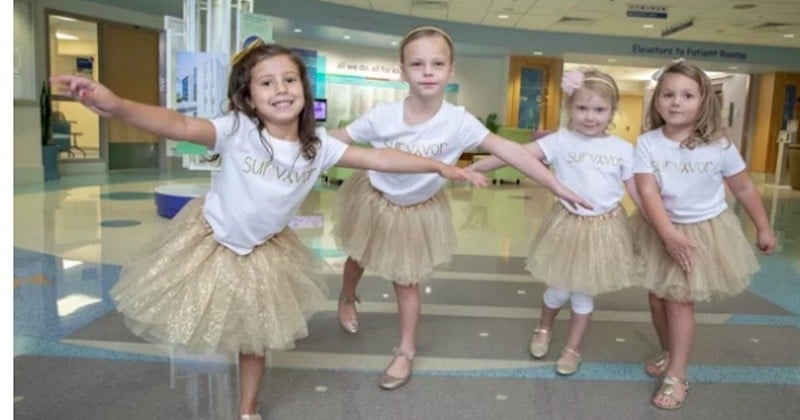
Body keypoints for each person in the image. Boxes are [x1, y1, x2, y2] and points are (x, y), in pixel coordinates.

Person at [50, 40, 486, 420]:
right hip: (211, 239)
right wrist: (117, 106)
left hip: (265, 249)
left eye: (290, 80)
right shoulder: (236, 130)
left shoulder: (319, 147)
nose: (281, 89)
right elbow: (179, 125)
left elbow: (383, 158)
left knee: (254, 337)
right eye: (267, 82)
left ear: (304, 89)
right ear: (248, 96)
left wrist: (438, 165)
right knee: (209, 318)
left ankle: (247, 408)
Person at [328, 25, 592, 391]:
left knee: (407, 280)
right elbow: (334, 142)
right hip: (375, 196)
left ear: (451, 70)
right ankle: (347, 295)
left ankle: (405, 351)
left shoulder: (458, 121)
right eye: (417, 64)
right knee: (358, 254)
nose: (428, 71)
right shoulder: (382, 116)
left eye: (437, 63)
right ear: (402, 71)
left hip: (417, 209)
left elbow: (512, 151)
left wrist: (556, 185)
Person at [469, 68, 646, 376]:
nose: (590, 117)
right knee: (559, 289)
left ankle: (572, 348)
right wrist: (476, 167)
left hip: (604, 229)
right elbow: (514, 154)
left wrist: (659, 223)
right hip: (567, 226)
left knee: (584, 292)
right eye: (582, 108)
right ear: (569, 109)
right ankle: (543, 327)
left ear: (612, 112)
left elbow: (637, 192)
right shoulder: (559, 141)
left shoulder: (622, 149)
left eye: (599, 110)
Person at [633, 60, 775, 410]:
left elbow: (742, 187)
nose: (676, 102)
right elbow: (648, 193)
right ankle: (669, 351)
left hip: (704, 231)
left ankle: (677, 376)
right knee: (657, 297)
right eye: (668, 94)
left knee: (680, 301)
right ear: (657, 101)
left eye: (687, 95)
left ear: (703, 101)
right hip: (660, 226)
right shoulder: (647, 143)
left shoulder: (720, 145)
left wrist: (763, 225)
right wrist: (666, 234)